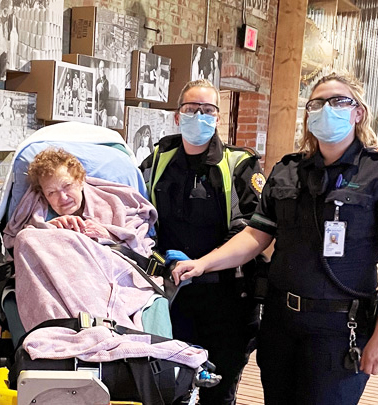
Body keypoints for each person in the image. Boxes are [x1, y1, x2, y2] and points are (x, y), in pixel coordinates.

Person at [171, 72, 378, 404]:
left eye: (339, 101)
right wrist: (203, 264)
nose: (327, 109)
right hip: (281, 323)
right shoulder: (288, 170)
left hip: (339, 329)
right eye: (318, 103)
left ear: (359, 112)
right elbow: (255, 235)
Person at [139, 79, 265, 405]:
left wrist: (203, 262)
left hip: (228, 299)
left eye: (208, 110)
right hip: (172, 295)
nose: (200, 116)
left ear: (218, 118)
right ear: (177, 117)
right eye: (191, 109)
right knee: (171, 384)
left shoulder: (241, 164)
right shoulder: (157, 161)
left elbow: (255, 229)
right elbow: (138, 216)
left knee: (219, 393)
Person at [3, 147, 159, 332]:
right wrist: (50, 231)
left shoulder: (113, 205)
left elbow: (138, 244)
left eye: (67, 186)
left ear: (80, 180)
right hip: (62, 284)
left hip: (105, 278)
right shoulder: (39, 216)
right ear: (44, 196)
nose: (62, 197)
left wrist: (108, 235)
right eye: (51, 193)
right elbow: (23, 247)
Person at [95, 60, 109, 126]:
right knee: (94, 118)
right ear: (99, 69)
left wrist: (102, 89)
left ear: (105, 69)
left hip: (103, 108)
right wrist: (97, 90)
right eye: (101, 68)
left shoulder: (106, 82)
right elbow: (95, 97)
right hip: (97, 108)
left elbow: (106, 96)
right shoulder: (97, 81)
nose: (102, 69)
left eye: (103, 68)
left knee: (105, 119)